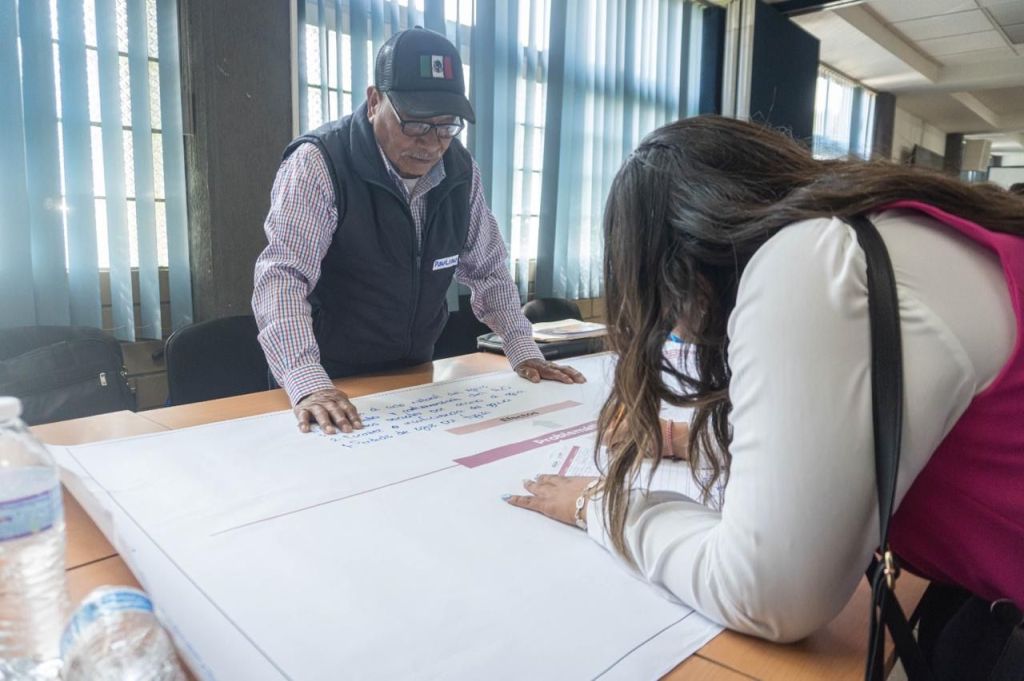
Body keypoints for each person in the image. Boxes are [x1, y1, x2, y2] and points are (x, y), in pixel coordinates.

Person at [505, 116, 1024, 642]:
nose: (676, 327)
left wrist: (600, 506)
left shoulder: (812, 263)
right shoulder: (883, 232)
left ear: (679, 271)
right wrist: (690, 441)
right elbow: (830, 453)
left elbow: (766, 594)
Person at [253, 28, 584, 435]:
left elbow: (488, 269)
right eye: (416, 125)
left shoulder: (460, 172)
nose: (432, 144)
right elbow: (284, 276)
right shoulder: (320, 163)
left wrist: (523, 350)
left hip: (413, 371)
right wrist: (308, 380)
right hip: (327, 378)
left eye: (447, 126)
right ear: (375, 101)